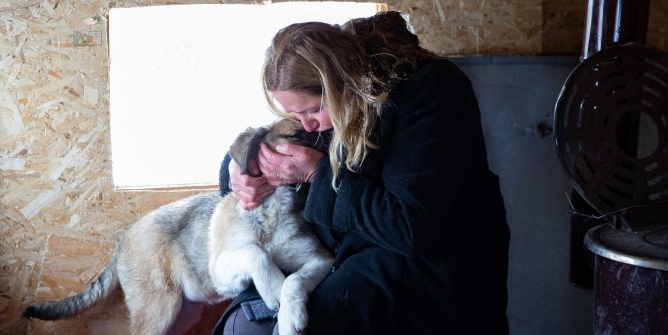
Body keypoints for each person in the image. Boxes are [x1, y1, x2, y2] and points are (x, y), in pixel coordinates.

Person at [214, 11, 510, 335]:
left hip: (428, 265)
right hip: (353, 255)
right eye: (294, 114)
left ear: (341, 82)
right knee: (242, 321)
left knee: (267, 328)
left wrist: (316, 174)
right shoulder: (328, 104)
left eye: (312, 110)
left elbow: (408, 225)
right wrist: (241, 169)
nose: (306, 125)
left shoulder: (431, 90)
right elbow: (277, 140)